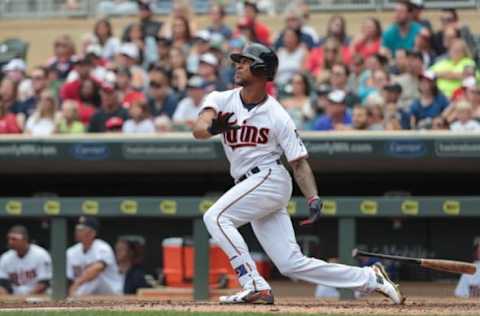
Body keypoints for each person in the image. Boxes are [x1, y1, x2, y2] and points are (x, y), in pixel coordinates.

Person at [192, 43, 404, 305]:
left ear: (261, 69)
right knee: (290, 263)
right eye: (239, 61)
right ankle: (369, 278)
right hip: (251, 184)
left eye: (245, 62)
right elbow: (199, 129)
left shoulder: (277, 114)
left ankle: (253, 283)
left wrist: (312, 197)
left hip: (269, 178)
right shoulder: (221, 99)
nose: (238, 65)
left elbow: (299, 163)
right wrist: (213, 128)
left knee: (216, 217)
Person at [67, 216, 122, 296]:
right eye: (77, 229)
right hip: (86, 292)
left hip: (112, 292)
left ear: (93, 233)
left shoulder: (103, 247)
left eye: (82, 229)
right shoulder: (71, 252)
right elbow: (69, 277)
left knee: (95, 277)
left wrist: (77, 284)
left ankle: (76, 297)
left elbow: (97, 269)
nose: (78, 232)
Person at [0, 225, 52, 295]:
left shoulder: (41, 254)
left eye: (14, 239)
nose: (10, 242)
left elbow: (44, 283)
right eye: (9, 239)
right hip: (13, 297)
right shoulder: (5, 257)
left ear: (25, 239)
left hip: (38, 296)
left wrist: (25, 297)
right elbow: (2, 283)